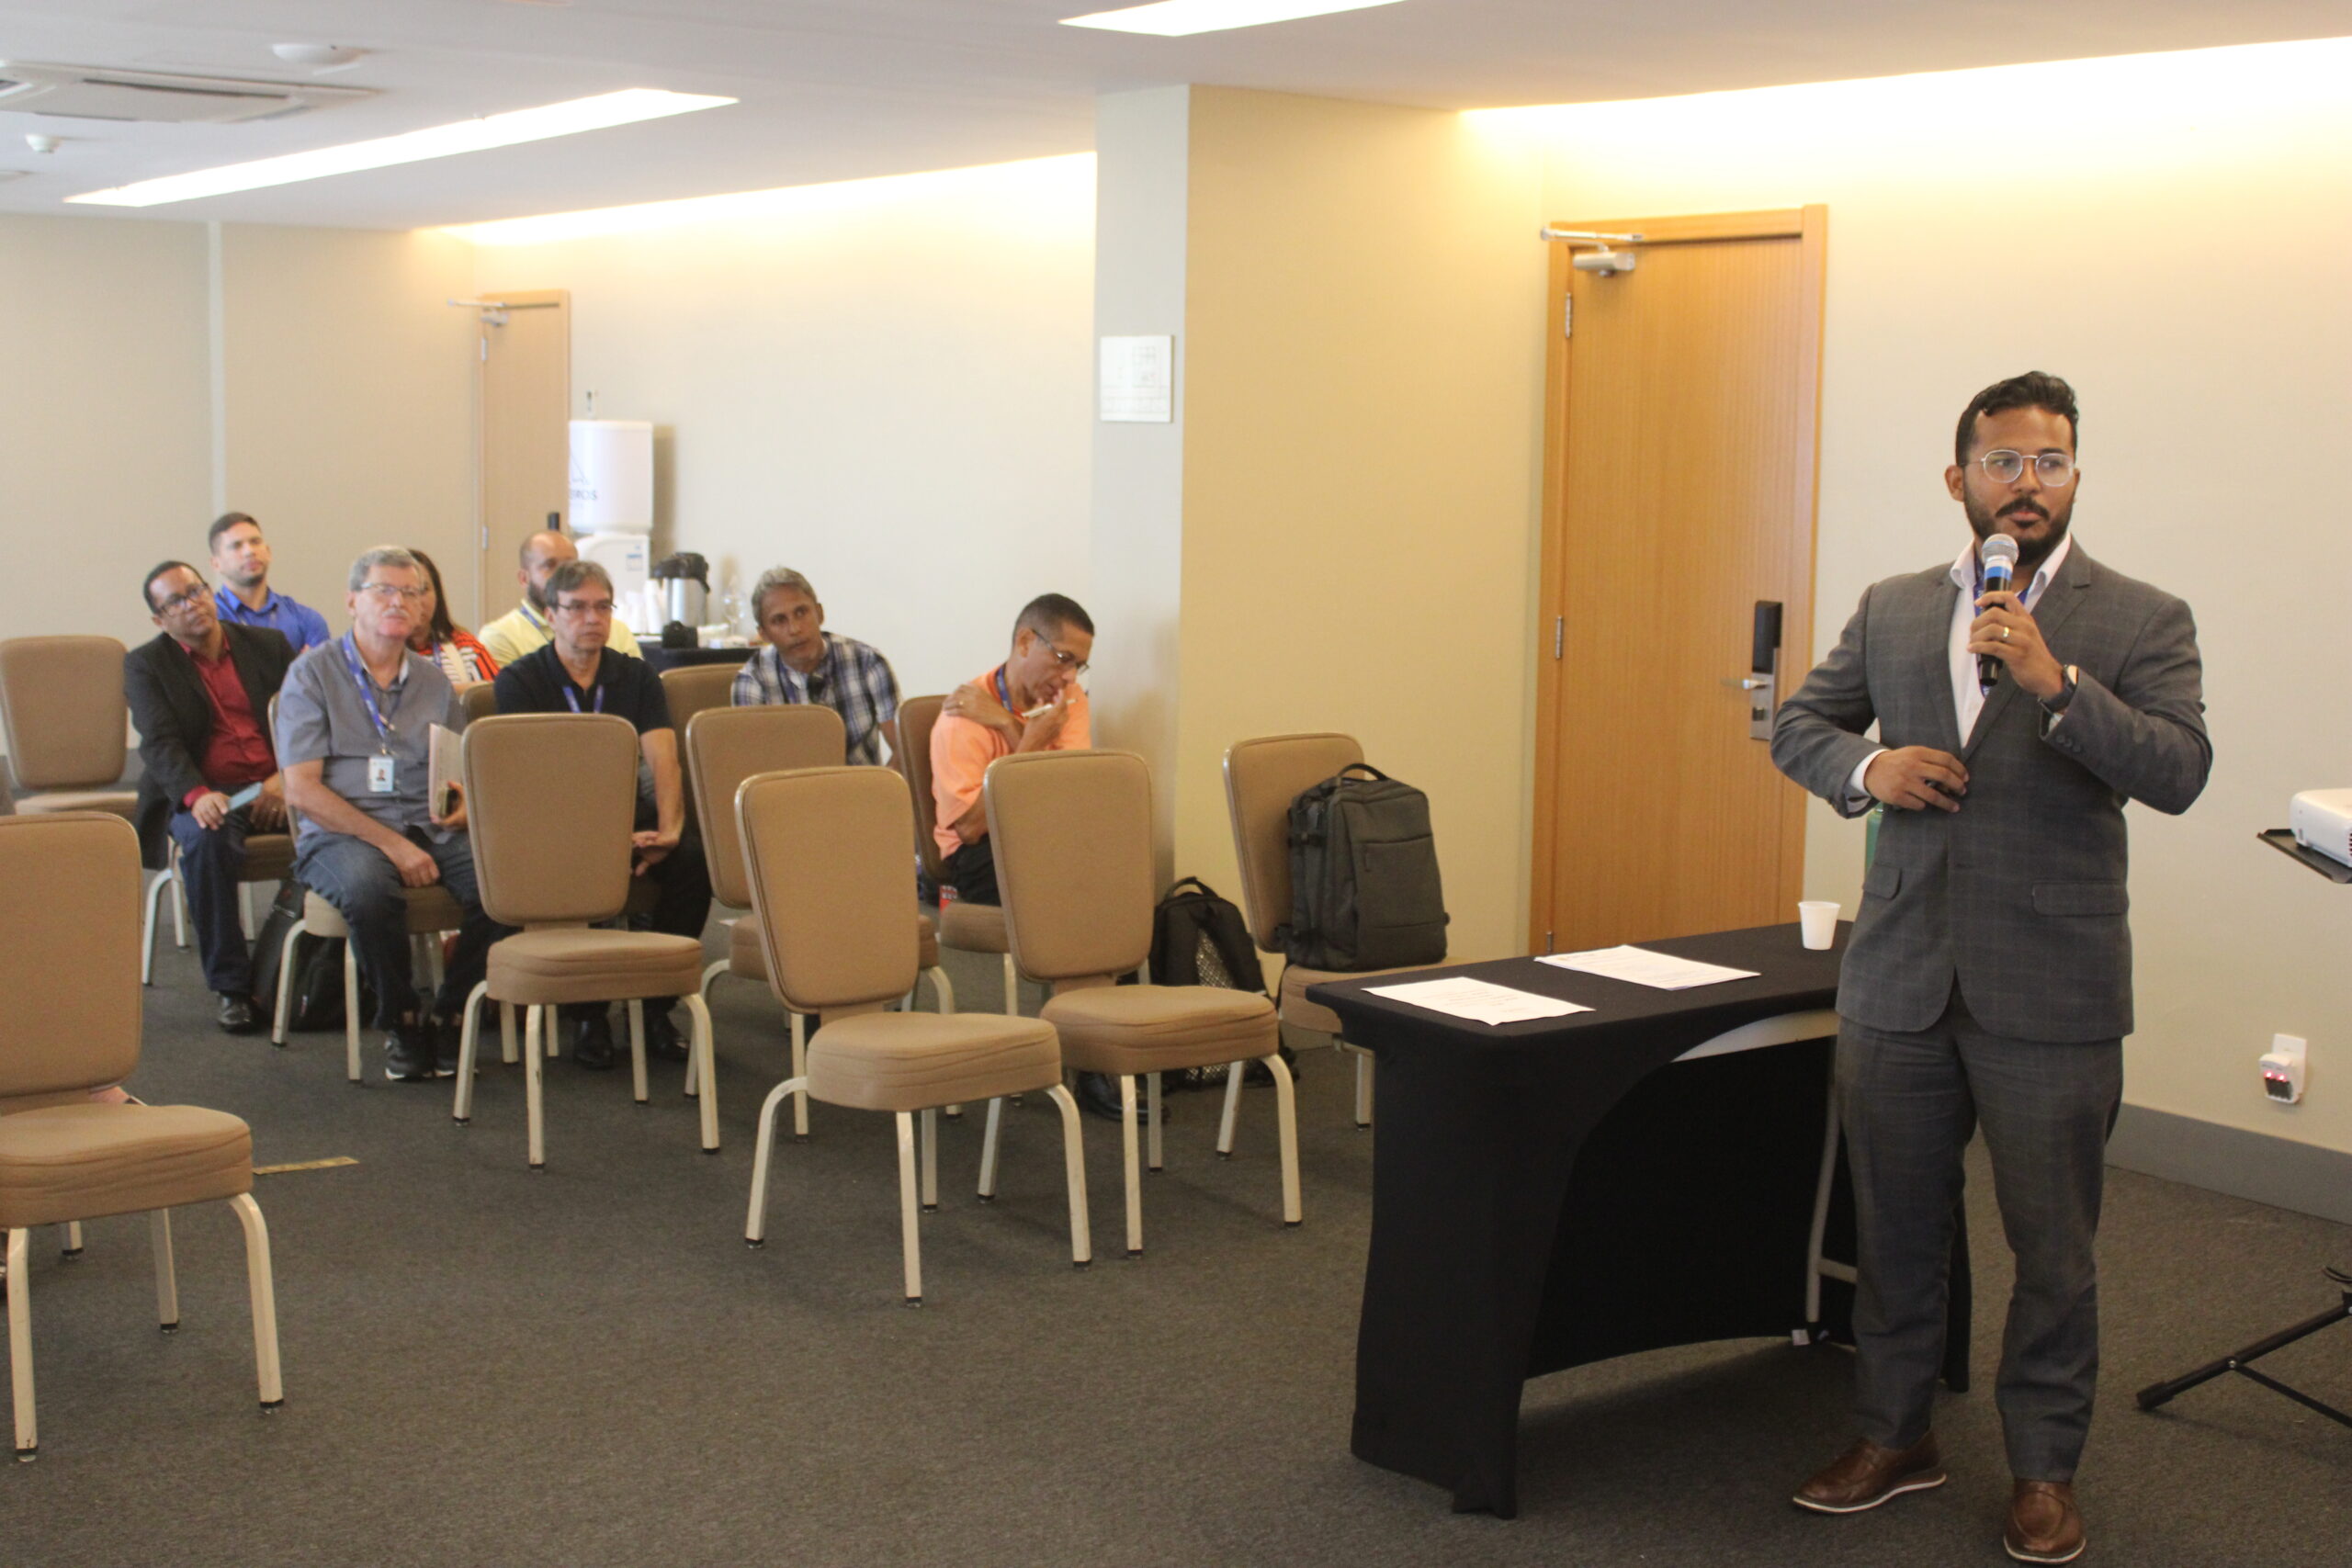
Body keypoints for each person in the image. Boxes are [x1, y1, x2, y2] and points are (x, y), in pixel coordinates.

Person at [1770, 372, 2209, 1565]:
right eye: (2004, 461)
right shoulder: (1895, 606)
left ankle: (2044, 1469)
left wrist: (2059, 686)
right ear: (1957, 477)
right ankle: (1894, 1432)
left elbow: (2179, 770)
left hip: (2053, 989)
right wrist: (1870, 770)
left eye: (2049, 462)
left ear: (2074, 478)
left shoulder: (2140, 616)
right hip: (1899, 979)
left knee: (2052, 1251)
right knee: (1897, 1231)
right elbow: (1800, 724)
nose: (2027, 483)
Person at [277, 547, 510, 1082]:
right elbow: (302, 790)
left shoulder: (432, 681)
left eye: (412, 592)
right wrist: (393, 845)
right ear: (352, 601)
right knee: (368, 892)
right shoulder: (312, 675)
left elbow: (454, 771)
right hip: (341, 832)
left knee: (502, 886)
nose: (399, 602)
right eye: (384, 590)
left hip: (427, 825)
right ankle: (401, 1020)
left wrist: (462, 806)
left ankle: (452, 1014)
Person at [492, 558, 710, 1069]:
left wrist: (669, 830)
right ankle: (588, 1013)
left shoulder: (635, 675)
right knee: (582, 864)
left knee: (693, 861)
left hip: (626, 813)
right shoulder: (521, 680)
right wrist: (599, 836)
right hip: (553, 822)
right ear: (551, 615)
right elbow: (529, 778)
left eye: (602, 607)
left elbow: (664, 759)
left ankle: (656, 1004)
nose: (592, 618)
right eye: (577, 608)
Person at [124, 561, 297, 1033]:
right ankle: (232, 987)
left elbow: (304, 720)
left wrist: (285, 777)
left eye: (196, 590)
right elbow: (160, 743)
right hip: (211, 790)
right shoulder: (146, 664)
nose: (192, 604)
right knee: (207, 840)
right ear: (160, 619)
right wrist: (197, 794)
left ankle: (319, 969)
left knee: (344, 825)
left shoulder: (268, 645)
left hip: (280, 783)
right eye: (175, 601)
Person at [929, 593, 1094, 907]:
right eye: (1064, 658)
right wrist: (1031, 742)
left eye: (1079, 665)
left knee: (1118, 864)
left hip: (1047, 833)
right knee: (1062, 887)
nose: (1071, 676)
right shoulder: (962, 715)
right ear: (1025, 642)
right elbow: (970, 828)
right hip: (982, 848)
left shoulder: (1070, 699)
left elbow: (1067, 797)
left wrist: (1006, 723)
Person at [729, 567, 900, 765]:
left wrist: (884, 783)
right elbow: (753, 765)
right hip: (787, 784)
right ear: (764, 634)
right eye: (779, 620)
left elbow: (903, 749)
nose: (795, 629)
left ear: (819, 613)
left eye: (801, 612)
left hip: (862, 782)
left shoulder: (867, 661)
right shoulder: (751, 681)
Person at [477, 530, 642, 668]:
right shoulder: (501, 636)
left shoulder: (616, 630)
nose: (562, 575)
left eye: (571, 566)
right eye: (549, 565)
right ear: (524, 578)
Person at [208, 512, 332, 653]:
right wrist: (295, 665)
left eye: (255, 542)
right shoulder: (210, 619)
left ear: (268, 552)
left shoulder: (305, 619)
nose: (249, 551)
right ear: (216, 564)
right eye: (236, 546)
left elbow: (318, 667)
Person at [408, 547, 500, 686]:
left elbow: (495, 695)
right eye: (408, 592)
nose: (417, 600)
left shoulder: (466, 648)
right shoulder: (378, 655)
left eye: (423, 590)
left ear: (437, 594)